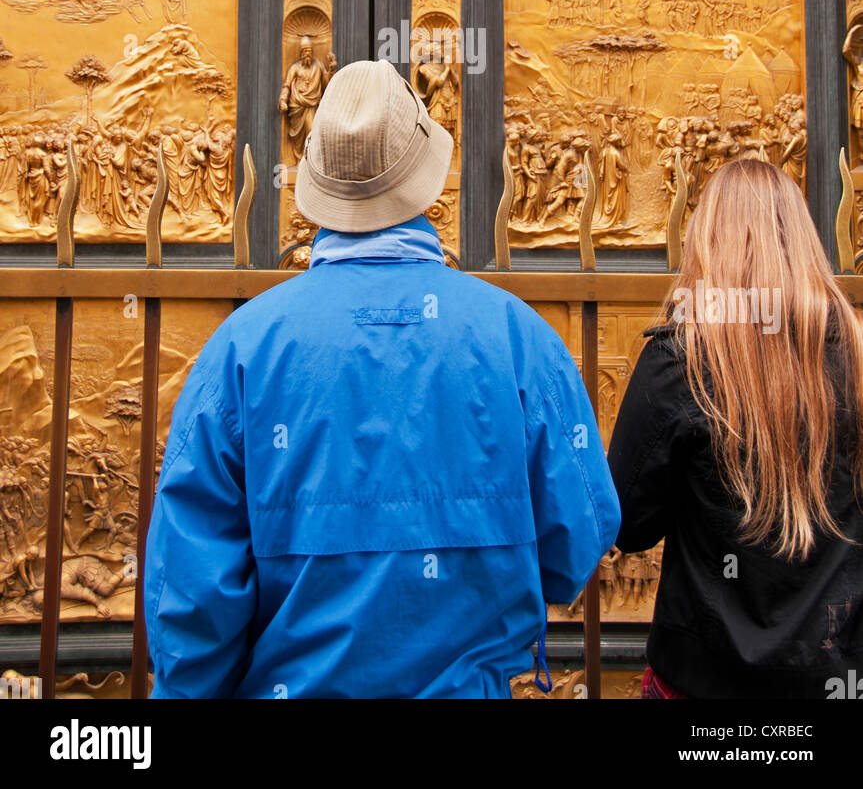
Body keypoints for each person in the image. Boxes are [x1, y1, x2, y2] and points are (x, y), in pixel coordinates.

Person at [145, 60, 619, 698]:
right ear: (426, 184)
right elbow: (576, 543)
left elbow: (192, 601)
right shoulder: (517, 338)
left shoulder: (241, 350)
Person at [608, 159, 863, 700]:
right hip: (836, 673)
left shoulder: (680, 362)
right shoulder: (857, 358)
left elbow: (627, 524)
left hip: (704, 678)